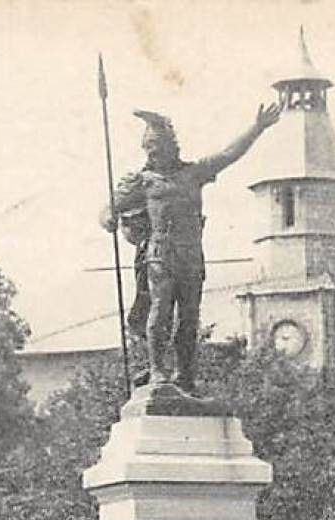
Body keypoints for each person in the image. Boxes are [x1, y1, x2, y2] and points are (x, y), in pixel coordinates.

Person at [101, 102, 281, 394]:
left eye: (158, 147)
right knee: (160, 312)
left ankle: (185, 375)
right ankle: (158, 371)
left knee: (189, 316)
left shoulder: (194, 173)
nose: (153, 154)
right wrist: (108, 218)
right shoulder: (142, 182)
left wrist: (257, 128)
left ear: (172, 147)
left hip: (192, 256)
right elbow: (109, 207)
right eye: (149, 149)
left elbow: (228, 155)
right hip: (161, 253)